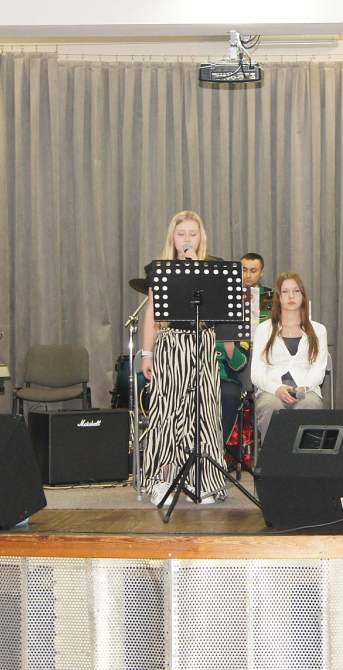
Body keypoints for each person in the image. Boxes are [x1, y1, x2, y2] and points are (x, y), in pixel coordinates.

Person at [139, 210, 230, 506]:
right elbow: (151, 313)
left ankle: (202, 480)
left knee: (203, 412)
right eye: (181, 234)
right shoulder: (160, 269)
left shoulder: (214, 268)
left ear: (201, 237)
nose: (187, 239)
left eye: (192, 233)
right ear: (173, 238)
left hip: (202, 343)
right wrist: (147, 352)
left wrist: (196, 270)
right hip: (171, 344)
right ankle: (162, 480)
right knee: (167, 412)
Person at [250, 271, 329, 444]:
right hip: (271, 390)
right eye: (285, 291)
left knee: (308, 406)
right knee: (273, 408)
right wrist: (276, 388)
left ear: (303, 295)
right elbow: (256, 373)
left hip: (306, 390)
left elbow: (318, 370)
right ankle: (275, 457)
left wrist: (304, 387)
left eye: (296, 291)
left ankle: (304, 458)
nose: (291, 296)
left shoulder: (319, 330)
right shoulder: (264, 330)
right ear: (278, 297)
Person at [241, 252, 274, 332]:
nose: (248, 275)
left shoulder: (272, 295)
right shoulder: (229, 294)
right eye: (244, 270)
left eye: (253, 271)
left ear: (261, 272)